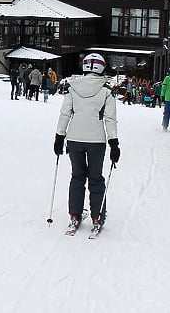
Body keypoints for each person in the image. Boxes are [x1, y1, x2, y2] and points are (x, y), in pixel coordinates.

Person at [53, 53, 120, 236]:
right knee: (96, 178)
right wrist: (114, 143)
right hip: (96, 141)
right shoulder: (106, 91)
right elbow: (110, 119)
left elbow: (65, 113)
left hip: (74, 139)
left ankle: (75, 214)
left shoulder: (73, 87)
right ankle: (97, 216)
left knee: (77, 177)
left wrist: (59, 137)